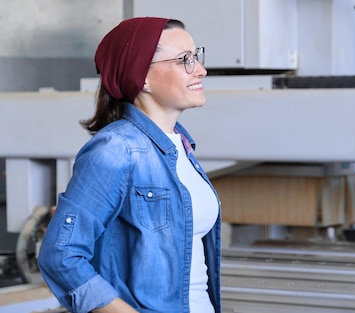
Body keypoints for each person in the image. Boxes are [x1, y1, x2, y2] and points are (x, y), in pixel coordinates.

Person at [38, 17, 221, 313]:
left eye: (197, 56)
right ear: (142, 76)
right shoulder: (116, 149)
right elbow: (60, 255)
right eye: (184, 60)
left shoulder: (181, 146)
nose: (200, 69)